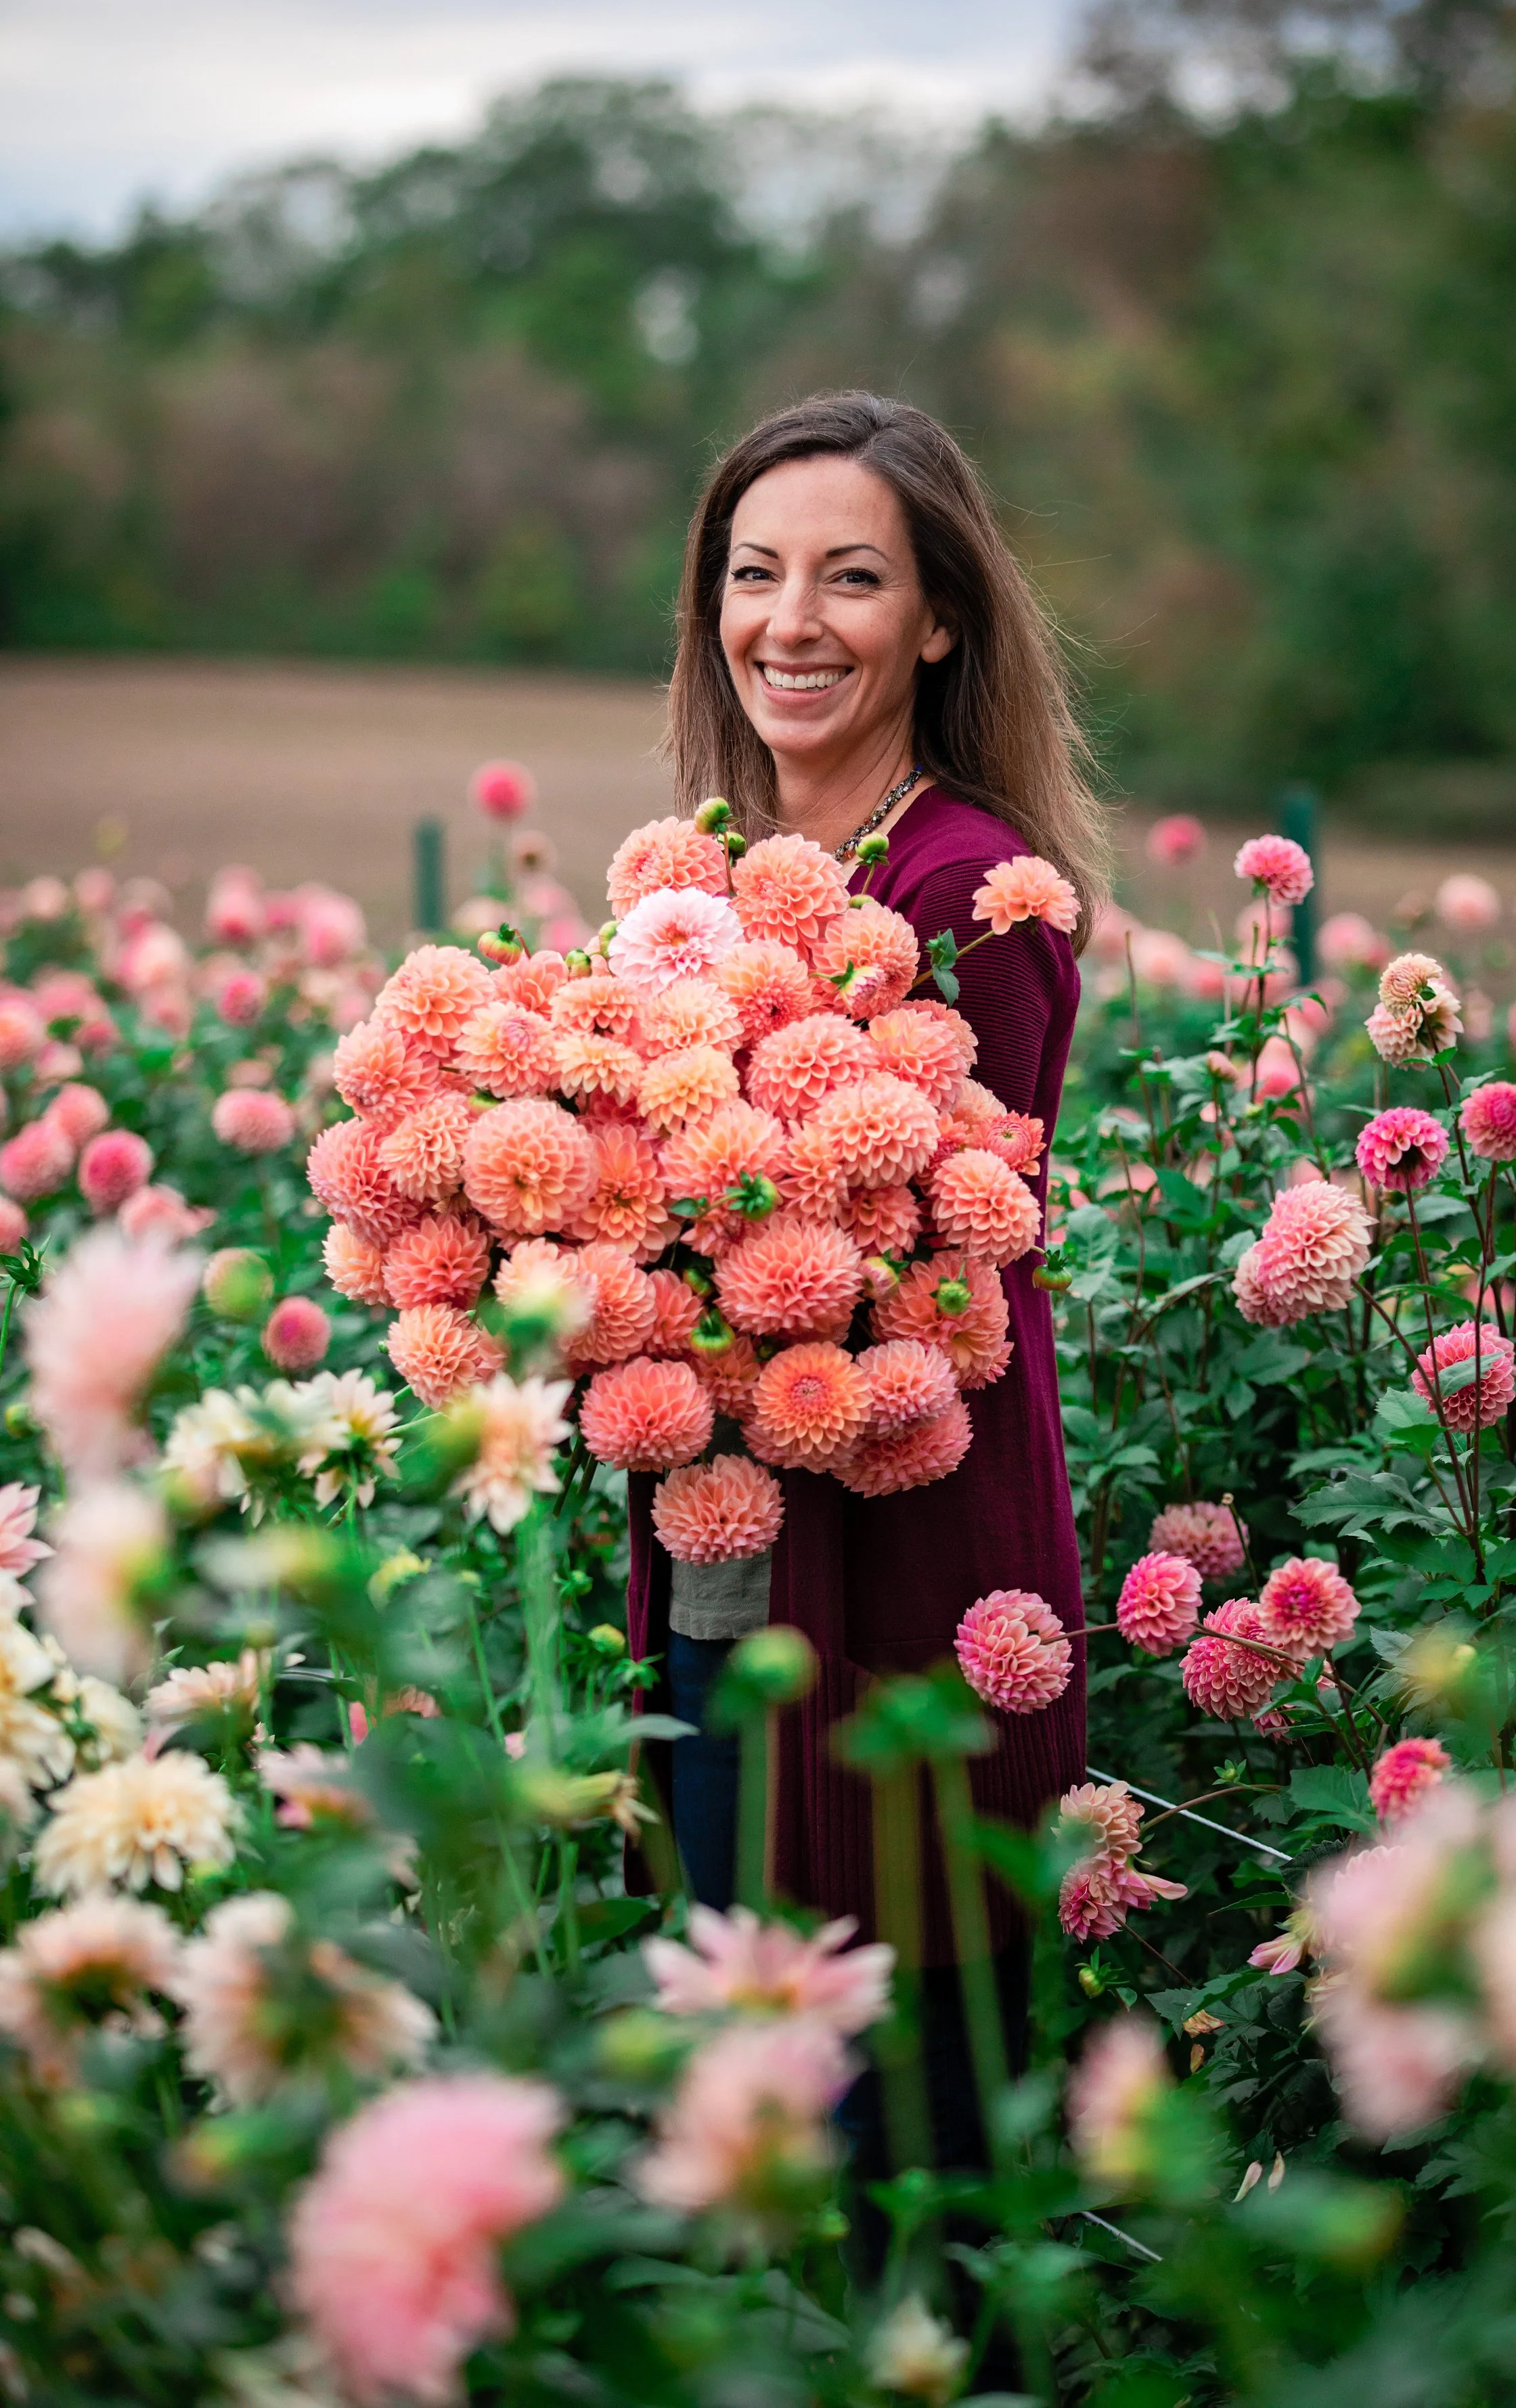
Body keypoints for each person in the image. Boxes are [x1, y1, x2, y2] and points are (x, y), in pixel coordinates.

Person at [627, 389, 1109, 2161]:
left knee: (915, 2178)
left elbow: (934, 1283)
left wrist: (634, 1248)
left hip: (896, 1610)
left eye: (848, 577)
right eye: (753, 574)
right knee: (758, 2170)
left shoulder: (977, 893)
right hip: (727, 1603)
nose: (788, 622)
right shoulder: (745, 871)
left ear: (938, 617)